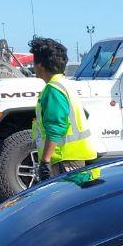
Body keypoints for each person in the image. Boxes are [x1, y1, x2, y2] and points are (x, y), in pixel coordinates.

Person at [28, 37, 96, 182]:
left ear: (40, 65)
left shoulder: (53, 89)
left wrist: (45, 162)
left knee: (66, 202)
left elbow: (56, 127)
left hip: (64, 160)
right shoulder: (64, 84)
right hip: (71, 158)